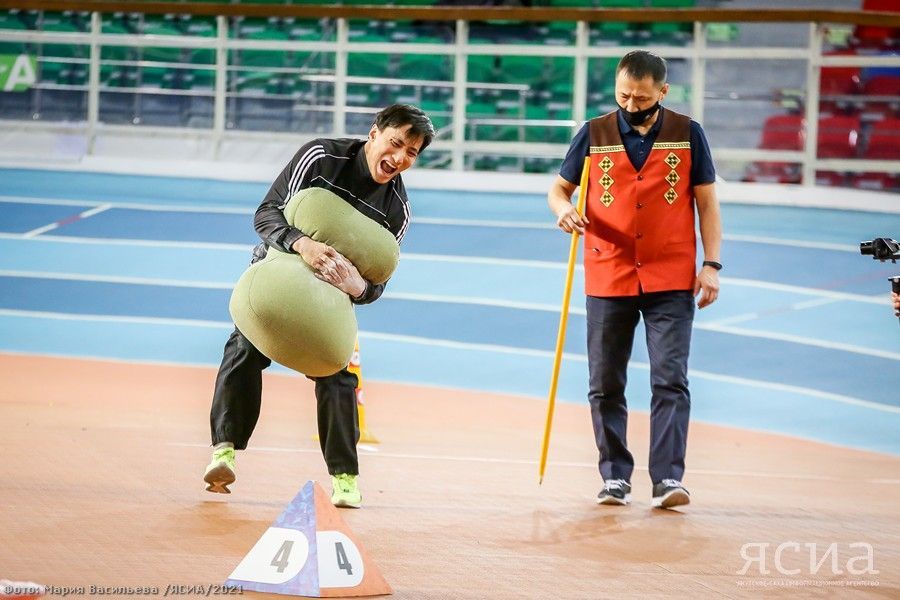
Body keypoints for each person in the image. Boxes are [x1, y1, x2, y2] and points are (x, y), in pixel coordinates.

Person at [203, 104, 434, 508]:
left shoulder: (396, 210)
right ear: (374, 133)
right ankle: (224, 451)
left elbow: (376, 284)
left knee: (338, 377)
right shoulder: (321, 157)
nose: (399, 158)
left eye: (411, 153)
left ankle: (345, 479)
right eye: (396, 143)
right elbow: (266, 213)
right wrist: (303, 244)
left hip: (329, 298)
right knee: (243, 349)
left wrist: (358, 287)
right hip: (280, 271)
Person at [547, 50, 722, 510]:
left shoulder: (688, 133)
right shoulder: (594, 132)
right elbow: (559, 189)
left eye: (641, 98)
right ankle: (614, 477)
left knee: (670, 379)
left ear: (663, 92)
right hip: (608, 272)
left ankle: (668, 478)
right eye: (623, 95)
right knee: (605, 382)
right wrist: (563, 209)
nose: (630, 105)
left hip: (671, 275)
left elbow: (707, 203)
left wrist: (712, 264)